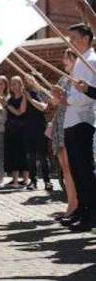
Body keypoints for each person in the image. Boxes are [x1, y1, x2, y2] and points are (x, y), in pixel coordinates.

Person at [51, 23, 96, 232]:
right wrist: (64, 97)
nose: (71, 42)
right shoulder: (80, 61)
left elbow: (87, 96)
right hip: (71, 121)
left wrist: (67, 99)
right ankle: (81, 209)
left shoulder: (92, 61)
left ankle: (90, 214)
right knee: (76, 170)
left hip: (83, 121)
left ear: (86, 39)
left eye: (74, 38)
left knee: (85, 170)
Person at [49, 49, 78, 220]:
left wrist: (62, 96)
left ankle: (78, 205)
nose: (63, 61)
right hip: (60, 125)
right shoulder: (63, 78)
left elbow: (76, 102)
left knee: (74, 168)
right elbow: (53, 102)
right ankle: (71, 203)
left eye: (67, 58)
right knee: (65, 169)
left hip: (72, 124)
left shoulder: (80, 78)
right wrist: (54, 94)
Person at [0, 76, 29, 188]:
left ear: (21, 84)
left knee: (22, 153)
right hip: (10, 129)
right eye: (11, 84)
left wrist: (6, 105)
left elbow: (20, 112)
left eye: (15, 83)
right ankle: (15, 179)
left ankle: (25, 180)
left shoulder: (23, 97)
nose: (12, 86)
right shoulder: (10, 98)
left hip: (21, 129)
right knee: (12, 154)